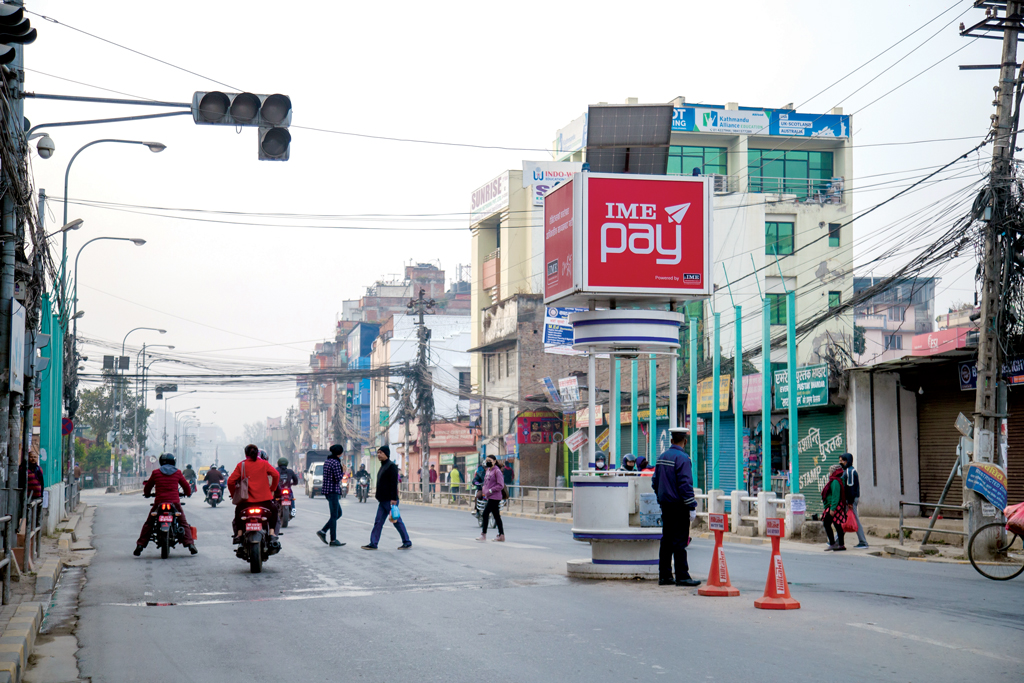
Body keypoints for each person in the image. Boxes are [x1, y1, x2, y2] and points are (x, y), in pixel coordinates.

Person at [651, 428, 700, 587]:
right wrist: (691, 506)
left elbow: (654, 482)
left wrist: (661, 498)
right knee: (680, 541)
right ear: (685, 441)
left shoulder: (661, 457)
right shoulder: (684, 458)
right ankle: (682, 576)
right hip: (679, 506)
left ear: (671, 441)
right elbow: (685, 485)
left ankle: (664, 576)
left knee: (666, 540)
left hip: (665, 505)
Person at [134, 453, 196, 556]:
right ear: (173, 462)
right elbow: (186, 487)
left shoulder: (156, 473)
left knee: (149, 523)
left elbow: (148, 487)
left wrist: (147, 494)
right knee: (183, 522)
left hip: (159, 502)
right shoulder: (178, 473)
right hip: (175, 503)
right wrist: (187, 493)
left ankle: (140, 546)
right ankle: (190, 545)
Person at [228, 444, 280, 546]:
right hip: (264, 502)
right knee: (274, 510)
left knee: (238, 512)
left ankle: (239, 534)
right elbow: (276, 475)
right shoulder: (264, 464)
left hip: (246, 503)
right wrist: (272, 488)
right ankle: (272, 533)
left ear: (246, 454)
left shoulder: (241, 465)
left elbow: (230, 481)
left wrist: (234, 494)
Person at [362, 446, 412, 550]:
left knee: (396, 521)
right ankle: (373, 543)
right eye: (378, 453)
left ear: (386, 454)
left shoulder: (391, 466)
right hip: (383, 500)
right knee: (378, 522)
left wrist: (393, 499)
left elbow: (394, 483)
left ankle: (407, 541)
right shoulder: (383, 466)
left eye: (381, 453)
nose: (379, 455)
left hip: (390, 500)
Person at [316, 445, 346, 547]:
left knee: (338, 513)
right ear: (339, 453)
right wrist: (344, 471)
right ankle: (333, 540)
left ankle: (323, 531)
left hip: (328, 490)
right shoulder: (336, 462)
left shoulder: (328, 461)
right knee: (334, 515)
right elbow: (338, 478)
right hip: (333, 491)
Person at [840, 453, 868, 548]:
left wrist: (850, 501)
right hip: (850, 499)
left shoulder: (850, 472)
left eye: (842, 460)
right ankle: (836, 540)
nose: (841, 463)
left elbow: (850, 487)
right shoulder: (849, 471)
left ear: (847, 461)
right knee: (847, 518)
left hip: (851, 500)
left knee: (854, 519)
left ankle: (863, 542)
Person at [476, 455, 505, 542]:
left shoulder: (497, 471)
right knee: (496, 516)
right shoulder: (488, 470)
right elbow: (486, 482)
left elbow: (501, 485)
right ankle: (501, 535)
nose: (488, 461)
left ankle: (483, 535)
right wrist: (484, 490)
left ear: (495, 461)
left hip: (495, 496)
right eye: (487, 460)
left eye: (490, 460)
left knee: (485, 513)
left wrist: (491, 491)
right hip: (489, 496)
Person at [821, 463, 848, 551]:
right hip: (835, 506)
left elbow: (835, 496)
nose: (830, 473)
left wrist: (832, 509)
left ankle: (833, 543)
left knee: (826, 523)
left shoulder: (835, 482)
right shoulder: (836, 480)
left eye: (831, 471)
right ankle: (841, 545)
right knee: (837, 524)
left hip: (833, 506)